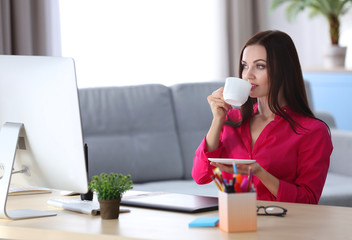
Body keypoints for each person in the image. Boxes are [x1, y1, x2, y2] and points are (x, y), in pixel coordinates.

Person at [192, 30, 333, 204]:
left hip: (282, 225)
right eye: (245, 65)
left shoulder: (312, 131)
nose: (248, 75)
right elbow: (200, 176)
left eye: (260, 66)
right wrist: (218, 119)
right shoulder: (231, 120)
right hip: (235, 221)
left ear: (284, 70)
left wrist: (260, 172)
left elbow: (308, 200)